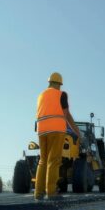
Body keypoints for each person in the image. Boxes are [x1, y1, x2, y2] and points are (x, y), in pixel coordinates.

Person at [35, 72, 81, 201]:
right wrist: (77, 131)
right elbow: (66, 115)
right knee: (54, 161)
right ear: (59, 84)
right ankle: (51, 192)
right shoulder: (61, 94)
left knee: (42, 161)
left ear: (49, 83)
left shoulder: (41, 95)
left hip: (42, 130)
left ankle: (38, 193)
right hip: (56, 130)